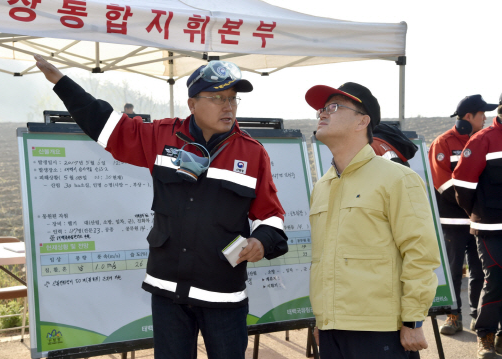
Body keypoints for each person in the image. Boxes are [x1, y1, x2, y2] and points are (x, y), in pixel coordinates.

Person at [33, 54, 288, 359]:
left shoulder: (253, 153)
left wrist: (261, 240)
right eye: (218, 97)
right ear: (192, 104)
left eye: (233, 98)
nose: (228, 106)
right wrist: (62, 83)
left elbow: (272, 215)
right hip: (167, 290)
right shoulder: (162, 137)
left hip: (223, 294)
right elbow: (108, 126)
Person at [306, 82, 440, 359]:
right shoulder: (323, 186)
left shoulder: (398, 179)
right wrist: (323, 320)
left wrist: (413, 320)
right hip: (332, 330)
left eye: (333, 107)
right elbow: (324, 260)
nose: (322, 113)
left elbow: (421, 253)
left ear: (362, 121)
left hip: (380, 330)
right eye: (322, 108)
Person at [428, 95, 496, 335]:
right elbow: (442, 183)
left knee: (479, 272)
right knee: (454, 270)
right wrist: (469, 205)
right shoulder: (443, 142)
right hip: (454, 222)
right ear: (469, 116)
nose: (486, 118)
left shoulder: (482, 140)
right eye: (481, 114)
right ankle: (453, 316)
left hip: (478, 222)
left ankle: (478, 317)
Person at [453, 94, 502, 359]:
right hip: (491, 227)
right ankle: (485, 335)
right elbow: (462, 186)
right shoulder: (482, 140)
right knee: (495, 279)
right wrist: (479, 213)